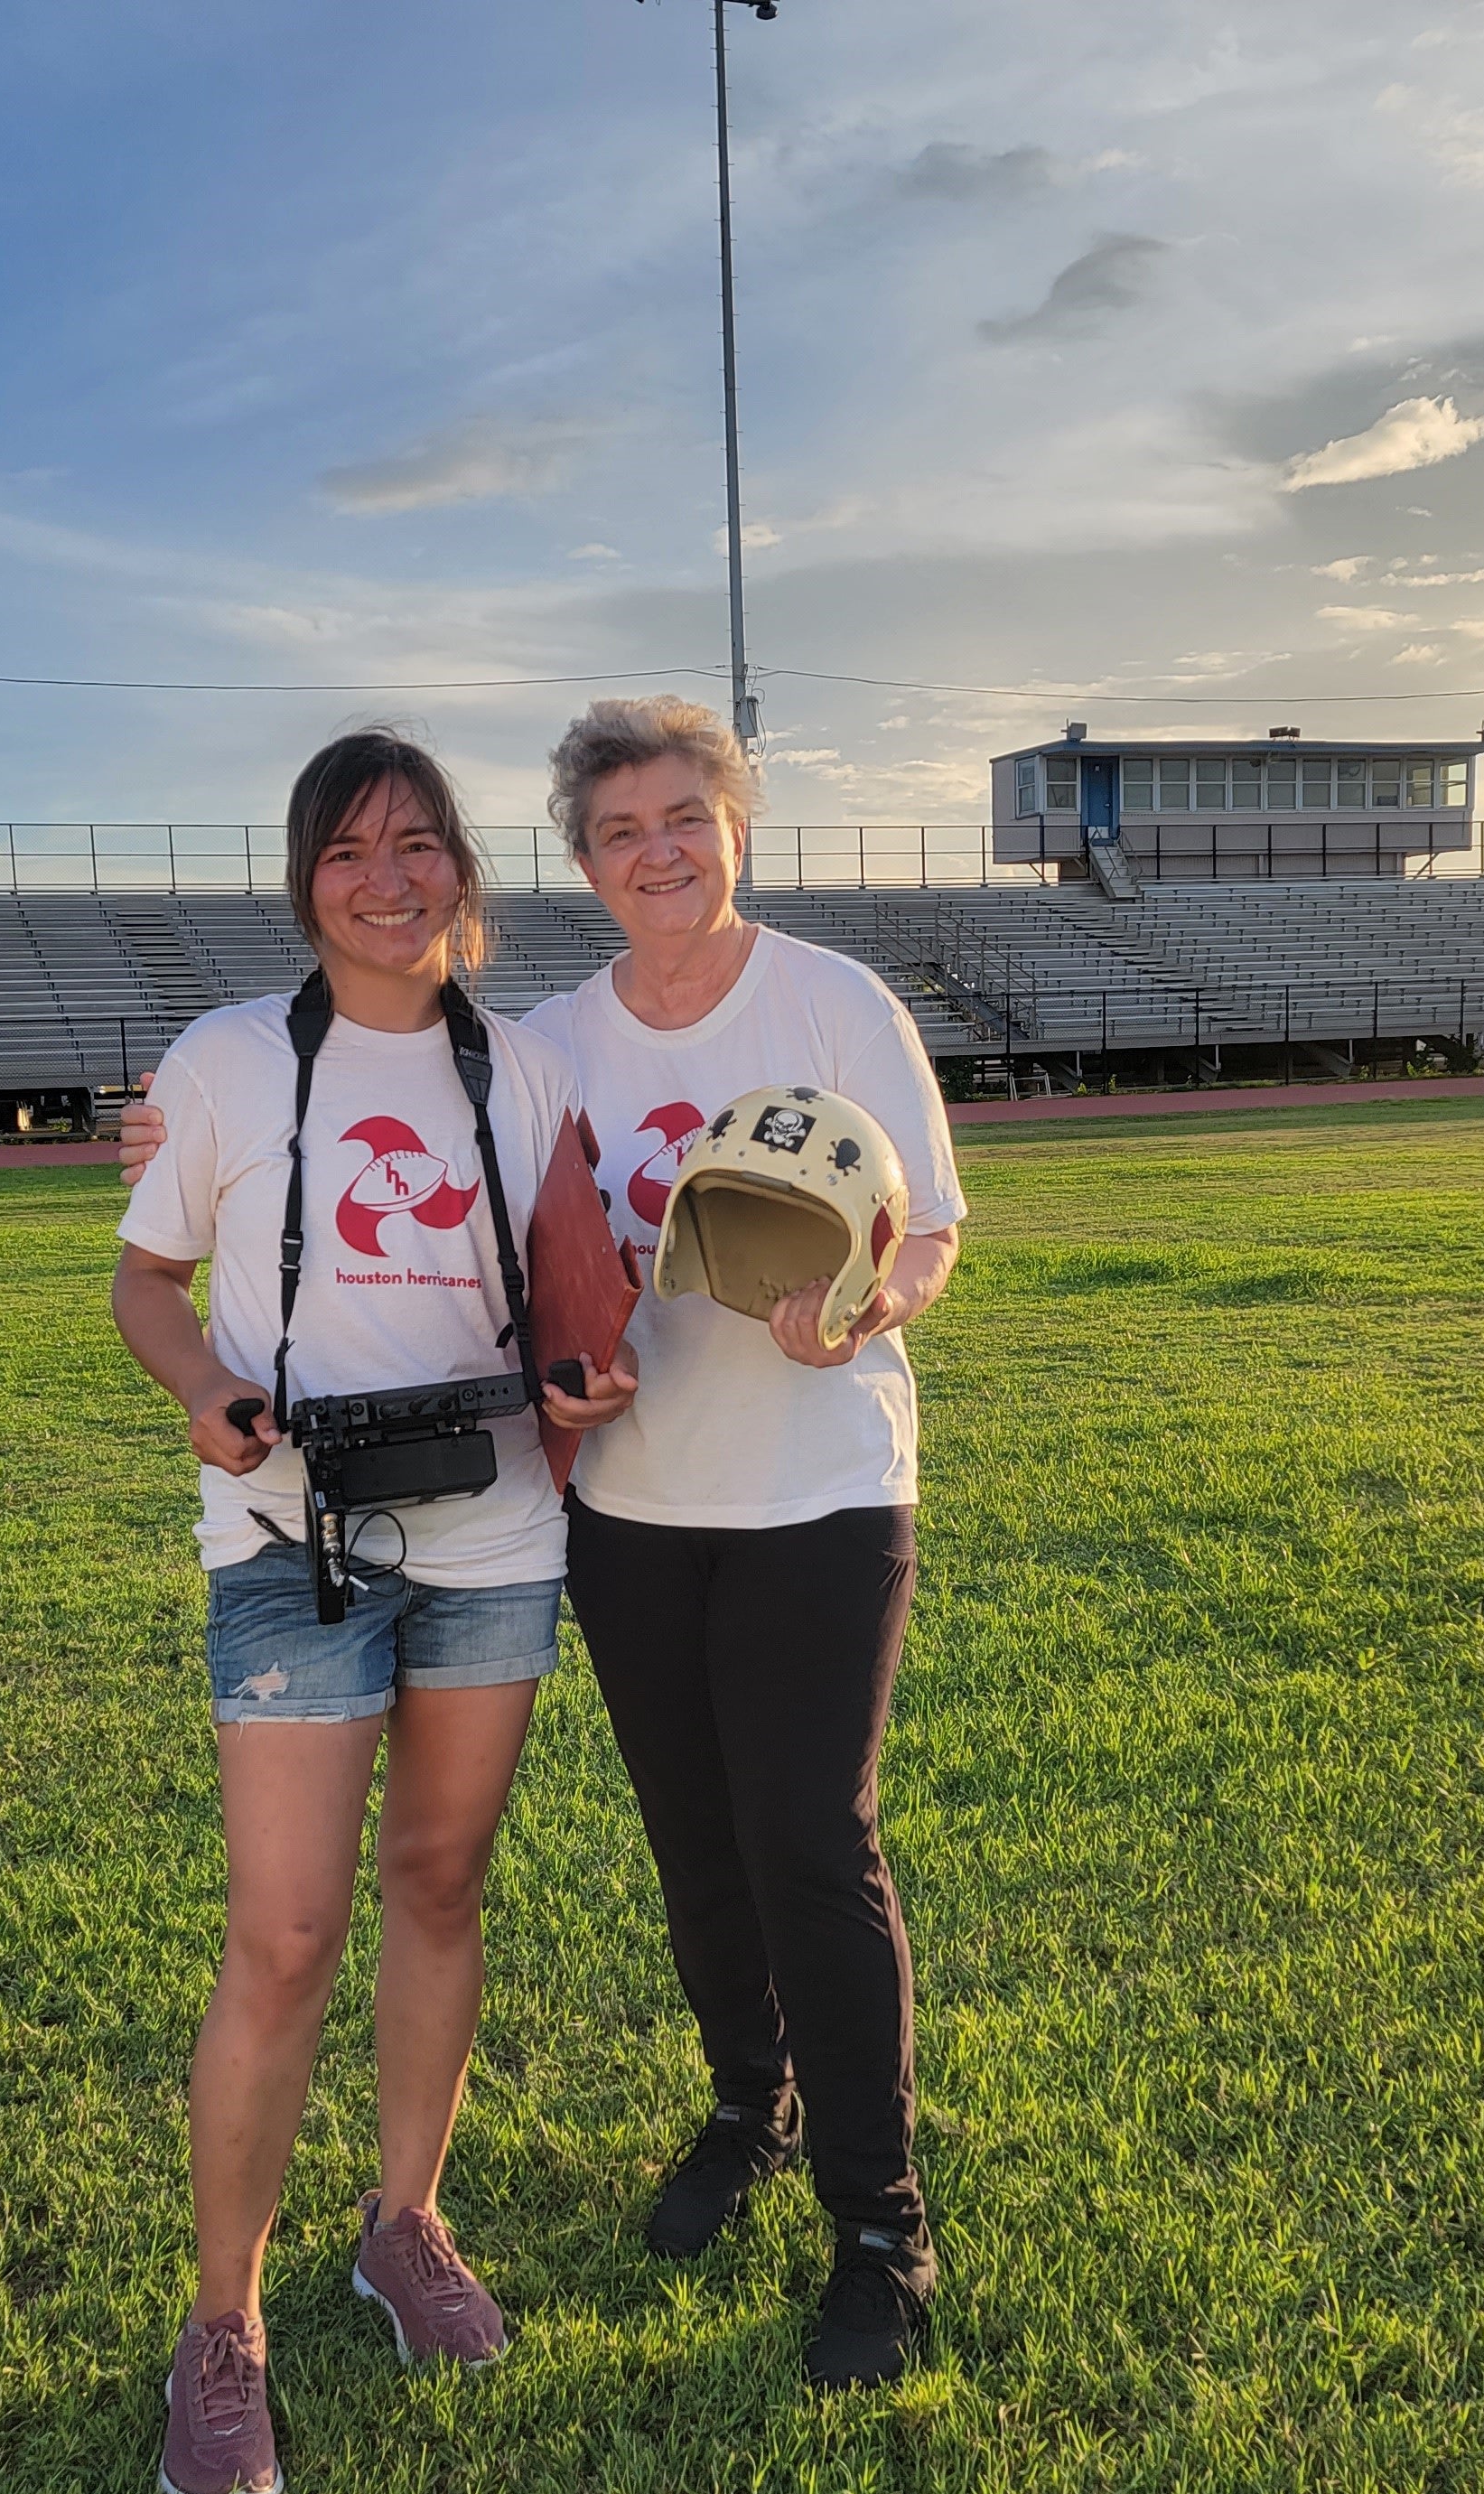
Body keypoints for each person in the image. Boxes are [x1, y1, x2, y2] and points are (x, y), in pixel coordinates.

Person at [127, 696, 966, 2388]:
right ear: (580, 863)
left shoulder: (823, 1003)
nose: (656, 851)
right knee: (684, 1847)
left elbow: (929, 1227)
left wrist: (876, 1299)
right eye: (619, 830)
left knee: (802, 1836)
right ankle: (747, 2107)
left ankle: (879, 2221)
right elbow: (517, 1235)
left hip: (792, 1489)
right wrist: (162, 1144)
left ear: (737, 824)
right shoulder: (549, 1044)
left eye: (684, 819)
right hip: (619, 1507)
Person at [109, 728, 635, 2494]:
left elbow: (577, 1277)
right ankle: (223, 2326)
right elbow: (142, 1277)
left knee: (438, 1880)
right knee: (280, 1935)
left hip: (494, 1534)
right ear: (302, 883)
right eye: (347, 851)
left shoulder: (532, 1066)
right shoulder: (226, 1062)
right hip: (288, 1536)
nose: (387, 877)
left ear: (461, 875)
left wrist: (584, 1372)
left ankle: (402, 2220)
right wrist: (198, 1388)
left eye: (418, 843)